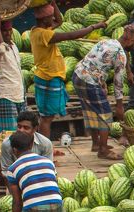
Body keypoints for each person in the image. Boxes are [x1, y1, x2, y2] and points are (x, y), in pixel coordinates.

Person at [30, 2, 105, 139]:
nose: (53, 19)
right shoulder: (43, 34)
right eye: (50, 17)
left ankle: (47, 149)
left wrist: (52, 3)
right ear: (43, 19)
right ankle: (46, 152)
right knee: (46, 118)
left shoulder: (39, 29)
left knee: (47, 116)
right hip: (48, 78)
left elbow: (60, 21)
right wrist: (94, 27)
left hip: (50, 77)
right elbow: (71, 36)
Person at [72, 25, 134, 159]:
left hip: (78, 75)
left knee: (90, 111)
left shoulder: (106, 41)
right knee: (106, 114)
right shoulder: (120, 54)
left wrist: (102, 82)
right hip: (89, 80)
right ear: (130, 41)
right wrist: (120, 105)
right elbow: (118, 81)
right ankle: (103, 150)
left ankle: (96, 143)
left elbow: (94, 60)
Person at [0, 19, 24, 135]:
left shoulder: (13, 46)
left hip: (18, 95)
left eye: (10, 30)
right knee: (6, 134)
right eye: (4, 31)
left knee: (21, 132)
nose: (8, 33)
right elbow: (1, 49)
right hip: (5, 95)